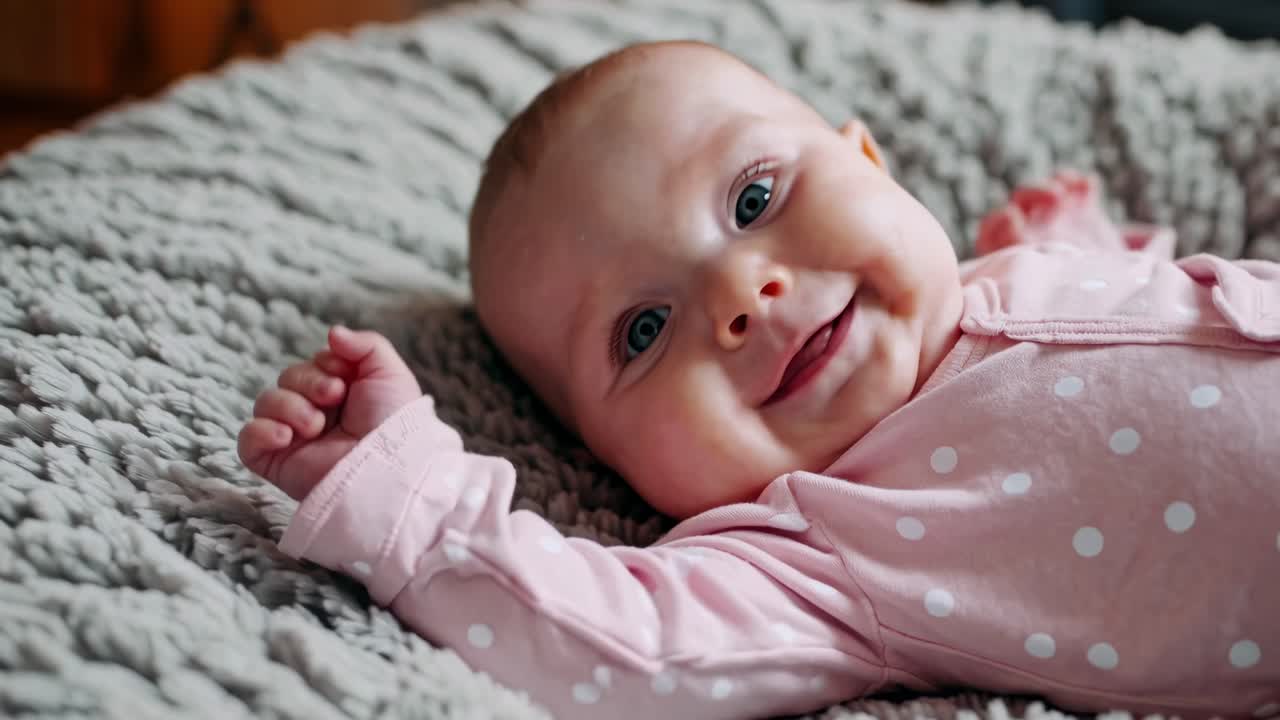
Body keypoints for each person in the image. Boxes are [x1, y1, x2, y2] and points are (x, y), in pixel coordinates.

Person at [237, 41, 1280, 720]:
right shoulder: (826, 548)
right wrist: (406, 502)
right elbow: (624, 650)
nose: (740, 292)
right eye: (643, 330)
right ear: (609, 458)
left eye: (753, 198)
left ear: (868, 161)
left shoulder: (982, 279)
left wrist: (1079, 249)